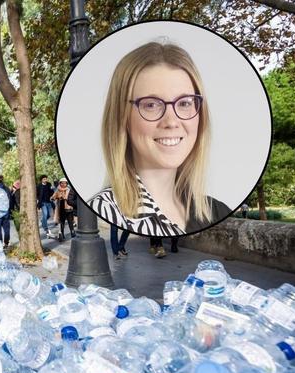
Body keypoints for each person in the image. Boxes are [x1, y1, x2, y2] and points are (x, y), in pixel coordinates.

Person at [89, 42, 231, 237]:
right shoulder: (105, 210)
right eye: (151, 105)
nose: (172, 122)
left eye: (184, 103)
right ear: (122, 119)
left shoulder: (217, 212)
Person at [0, 175, 13, 248]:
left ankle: (0, 244)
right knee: (6, 229)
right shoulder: (7, 189)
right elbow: (10, 200)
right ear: (2, 180)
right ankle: (6, 243)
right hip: (5, 212)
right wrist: (10, 210)